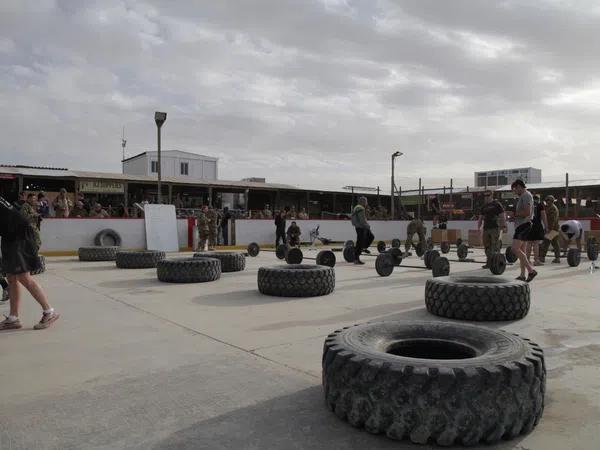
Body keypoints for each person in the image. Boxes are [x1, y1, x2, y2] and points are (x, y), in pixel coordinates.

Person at [0, 195, 59, 331]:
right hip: (9, 236)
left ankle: (49, 312)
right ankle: (13, 319)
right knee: (11, 277)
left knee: (23, 276)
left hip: (19, 235)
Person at [510, 180, 537, 282]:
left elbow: (527, 212)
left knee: (514, 248)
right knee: (522, 251)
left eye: (515, 189)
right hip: (523, 225)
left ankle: (531, 271)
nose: (515, 192)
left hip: (523, 226)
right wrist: (514, 217)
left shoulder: (526, 195)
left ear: (519, 186)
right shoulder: (524, 196)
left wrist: (514, 214)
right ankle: (522, 275)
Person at [477, 190, 507, 269]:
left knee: (495, 246)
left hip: (495, 228)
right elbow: (480, 218)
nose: (486, 197)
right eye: (485, 196)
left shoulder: (497, 204)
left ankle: (497, 264)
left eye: (488, 195)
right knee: (487, 247)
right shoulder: (484, 206)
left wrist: (503, 226)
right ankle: (489, 263)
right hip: (486, 228)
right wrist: (478, 228)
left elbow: (502, 216)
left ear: (492, 196)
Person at [525, 195, 548, 266]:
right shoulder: (540, 205)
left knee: (528, 243)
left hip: (528, 225)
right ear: (538, 199)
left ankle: (527, 260)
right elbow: (543, 216)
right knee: (536, 243)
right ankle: (536, 260)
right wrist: (546, 226)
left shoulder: (528, 204)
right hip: (536, 225)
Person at [351, 196, 374, 264]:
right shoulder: (361, 208)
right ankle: (357, 257)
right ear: (363, 202)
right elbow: (362, 220)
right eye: (366, 201)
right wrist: (367, 226)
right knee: (363, 241)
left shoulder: (357, 207)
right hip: (362, 227)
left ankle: (362, 248)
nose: (367, 203)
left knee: (361, 241)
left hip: (358, 227)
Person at [540, 195, 561, 263]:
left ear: (551, 201)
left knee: (546, 243)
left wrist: (549, 229)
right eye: (546, 200)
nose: (546, 202)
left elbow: (552, 220)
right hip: (554, 228)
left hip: (552, 228)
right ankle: (557, 258)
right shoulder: (550, 207)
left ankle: (542, 257)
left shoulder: (552, 208)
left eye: (548, 200)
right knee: (555, 243)